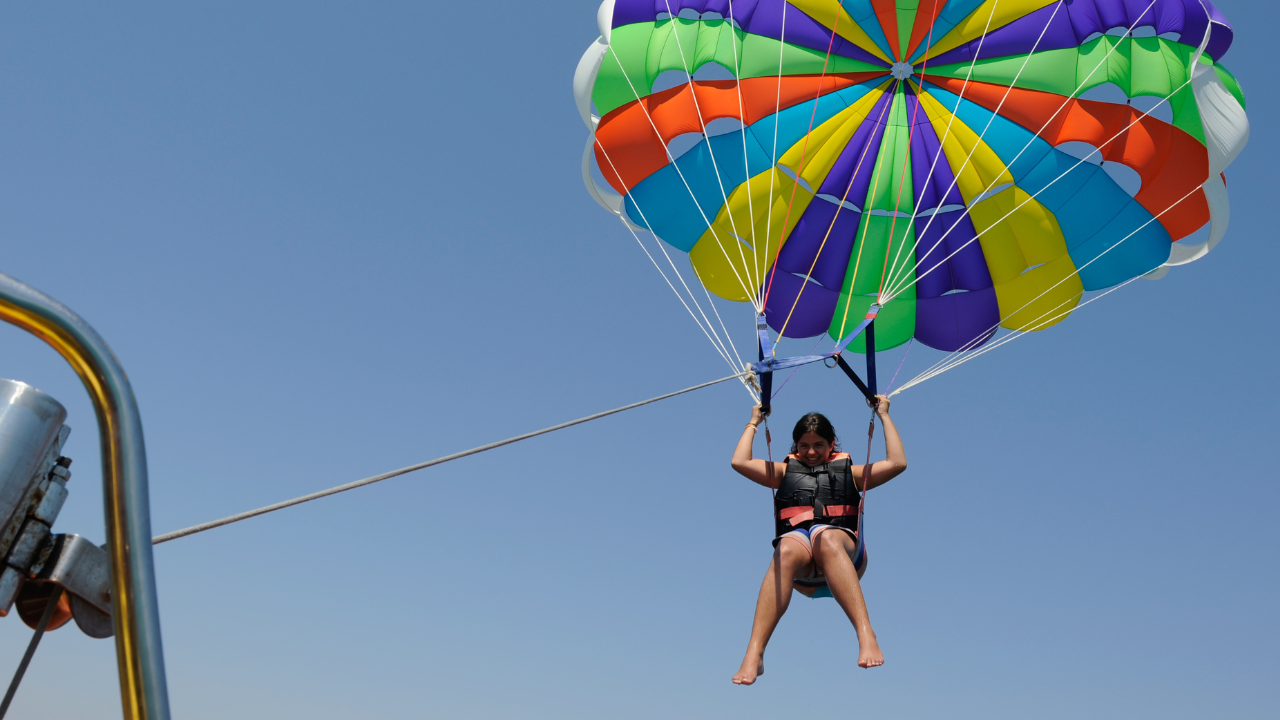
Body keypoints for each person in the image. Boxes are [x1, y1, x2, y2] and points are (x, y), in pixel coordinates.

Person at [729, 397, 907, 685]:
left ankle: (865, 632)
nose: (811, 452)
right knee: (786, 546)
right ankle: (755, 652)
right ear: (795, 447)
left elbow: (898, 463)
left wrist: (884, 415)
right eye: (804, 446)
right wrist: (754, 422)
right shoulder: (785, 471)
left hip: (845, 555)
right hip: (801, 571)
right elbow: (739, 461)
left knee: (824, 536)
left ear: (832, 443)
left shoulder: (851, 472)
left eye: (819, 445)